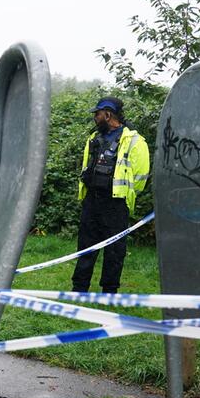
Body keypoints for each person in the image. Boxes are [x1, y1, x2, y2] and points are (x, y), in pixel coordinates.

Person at [71, 97, 150, 294]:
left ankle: (109, 291)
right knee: (86, 245)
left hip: (116, 203)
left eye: (97, 114)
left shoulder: (134, 141)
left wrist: (124, 193)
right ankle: (79, 288)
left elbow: (141, 176)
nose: (94, 118)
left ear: (108, 114)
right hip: (92, 200)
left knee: (115, 250)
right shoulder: (93, 139)